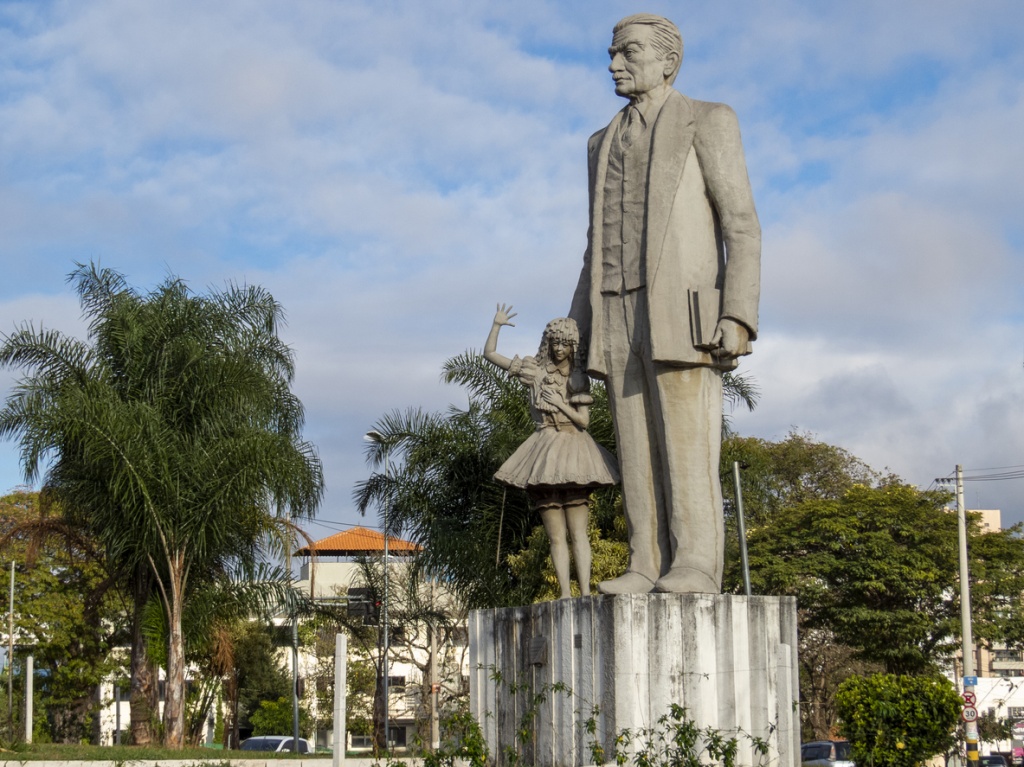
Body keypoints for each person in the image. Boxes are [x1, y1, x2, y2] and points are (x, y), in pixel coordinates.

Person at [568, 14, 761, 594]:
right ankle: (644, 562)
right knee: (634, 445)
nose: (613, 64)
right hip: (615, 311)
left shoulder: (709, 120)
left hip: (685, 312)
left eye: (627, 52)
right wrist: (576, 340)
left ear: (667, 60)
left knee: (685, 443)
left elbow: (742, 227)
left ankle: (696, 563)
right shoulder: (600, 144)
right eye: (611, 53)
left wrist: (737, 313)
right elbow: (591, 248)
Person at [483, 304, 619, 599]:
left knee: (579, 532)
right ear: (548, 343)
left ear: (574, 347)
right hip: (544, 448)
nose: (559, 348)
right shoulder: (535, 371)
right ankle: (565, 595)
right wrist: (496, 325)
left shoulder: (580, 379)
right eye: (555, 342)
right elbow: (490, 355)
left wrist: (558, 403)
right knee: (556, 537)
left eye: (566, 343)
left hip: (575, 448)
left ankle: (584, 592)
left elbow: (583, 421)